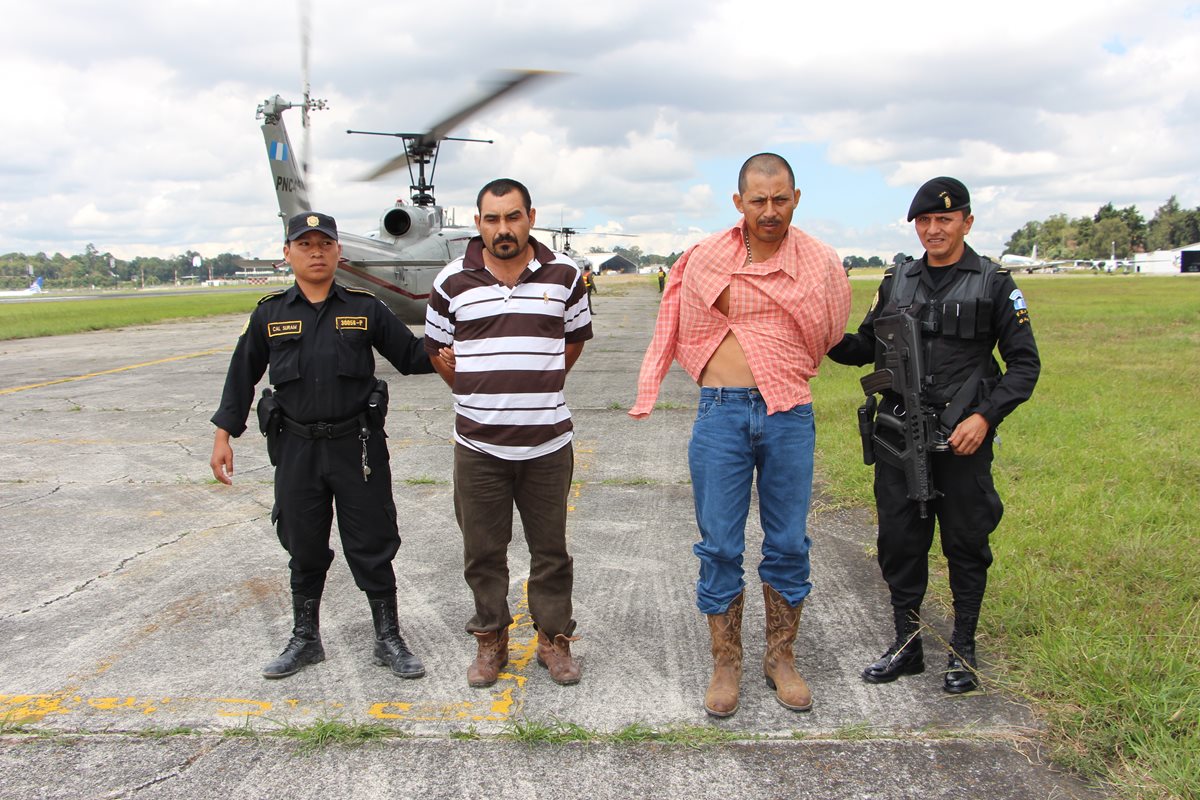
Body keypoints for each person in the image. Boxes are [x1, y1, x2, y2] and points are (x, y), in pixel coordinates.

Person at [630, 153, 851, 717]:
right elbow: (680, 321)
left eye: (781, 199)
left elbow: (827, 329)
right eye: (759, 201)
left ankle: (781, 657)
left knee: (788, 542)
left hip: (788, 413)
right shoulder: (704, 259)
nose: (770, 211)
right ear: (739, 203)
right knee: (721, 544)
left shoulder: (822, 262)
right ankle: (726, 661)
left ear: (796, 198)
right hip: (721, 413)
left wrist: (769, 340)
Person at [827, 177, 1040, 693]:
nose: (933, 229)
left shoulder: (993, 283)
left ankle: (962, 649)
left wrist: (984, 417)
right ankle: (907, 645)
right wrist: (820, 331)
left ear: (967, 221)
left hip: (961, 438)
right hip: (899, 435)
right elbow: (866, 346)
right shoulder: (897, 280)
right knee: (899, 541)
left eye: (944, 219)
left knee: (966, 541)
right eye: (924, 221)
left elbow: (1024, 365)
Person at [211, 211, 438, 681]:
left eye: (324, 243)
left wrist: (462, 336)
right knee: (303, 544)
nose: (316, 251)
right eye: (305, 243)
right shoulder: (270, 313)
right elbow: (241, 377)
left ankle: (388, 638)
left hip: (357, 447)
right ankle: (305, 639)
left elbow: (414, 357)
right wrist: (223, 436)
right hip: (295, 449)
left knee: (372, 542)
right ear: (287, 253)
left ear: (339, 252)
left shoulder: (366, 307)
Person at [425, 178, 593, 688]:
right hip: (478, 448)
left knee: (551, 552)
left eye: (513, 216)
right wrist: (478, 390)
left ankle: (553, 640)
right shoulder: (451, 282)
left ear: (530, 217)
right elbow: (437, 351)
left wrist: (536, 385)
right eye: (492, 218)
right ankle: (491, 640)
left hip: (548, 445)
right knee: (482, 551)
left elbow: (573, 343)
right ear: (478, 223)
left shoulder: (565, 277)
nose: (503, 228)